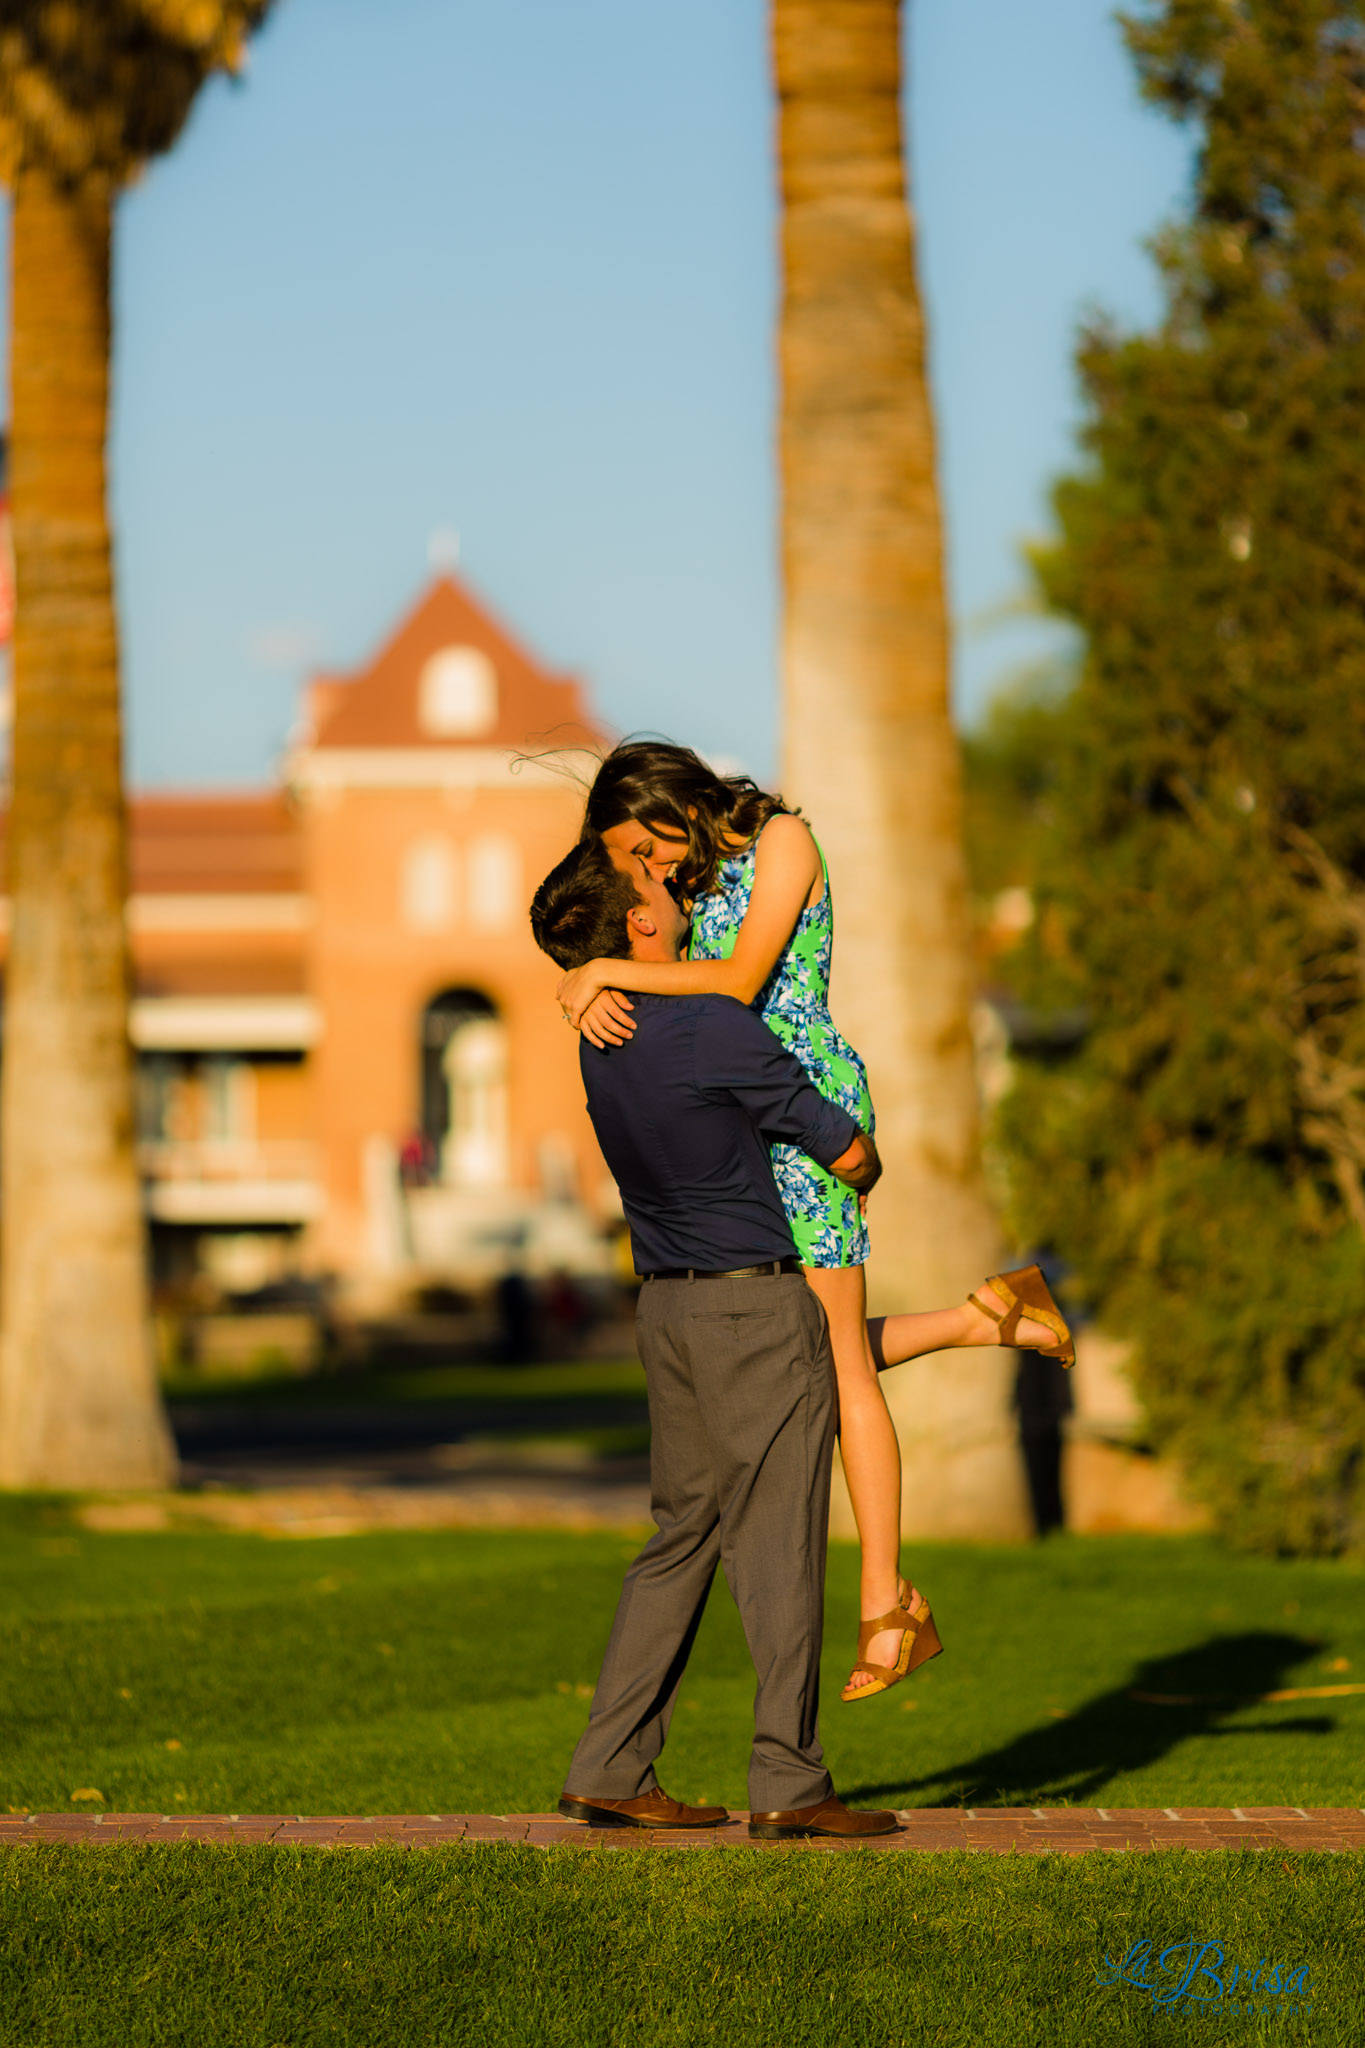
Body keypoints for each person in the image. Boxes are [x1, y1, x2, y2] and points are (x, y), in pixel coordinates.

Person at [553, 740, 1073, 1701]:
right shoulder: (691, 877)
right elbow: (665, 969)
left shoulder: (782, 841)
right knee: (795, 1346)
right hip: (731, 1107)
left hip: (802, 1105)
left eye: (642, 848)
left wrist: (602, 978)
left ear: (674, 803)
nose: (646, 871)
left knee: (826, 1364)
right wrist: (595, 979)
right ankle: (982, 1317)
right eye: (630, 863)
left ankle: (886, 1605)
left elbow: (744, 981)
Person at [529, 836, 897, 1838]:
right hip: (753, 1306)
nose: (678, 882)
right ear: (644, 922)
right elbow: (849, 1154)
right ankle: (791, 1783)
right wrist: (859, 1156)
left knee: (678, 1537)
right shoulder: (712, 1027)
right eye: (657, 878)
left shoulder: (596, 1037)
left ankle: (609, 1764)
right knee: (778, 1543)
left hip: (666, 1308)